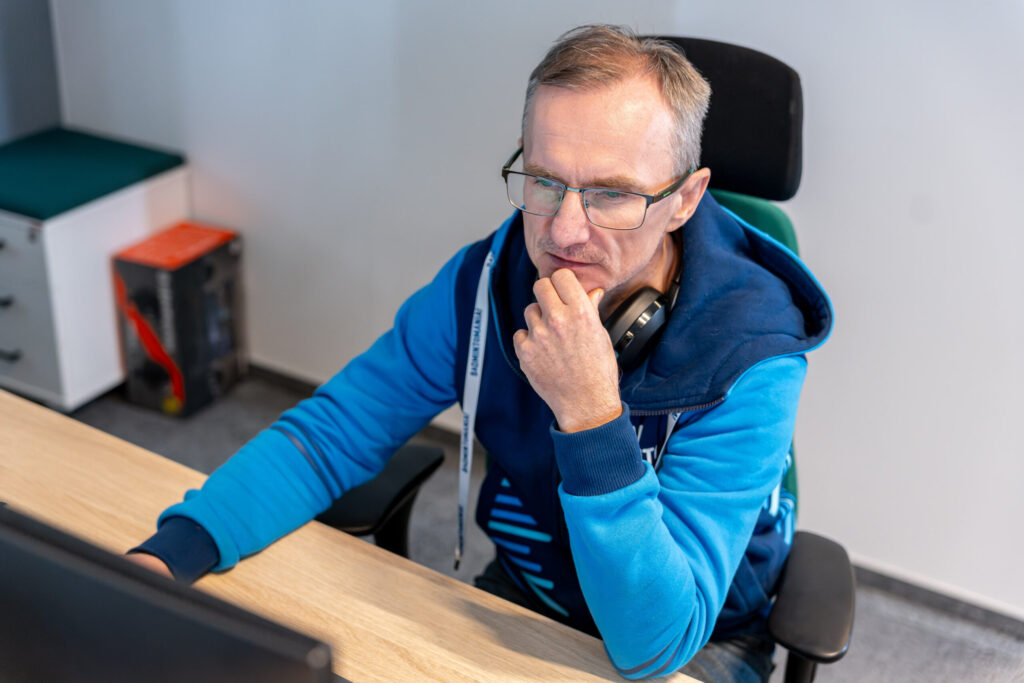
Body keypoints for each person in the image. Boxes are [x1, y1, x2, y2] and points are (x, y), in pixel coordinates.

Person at [128, 24, 832, 681]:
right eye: (546, 180)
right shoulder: (486, 280)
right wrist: (176, 551)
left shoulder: (754, 350)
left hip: (695, 640)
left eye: (612, 194)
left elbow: (654, 642)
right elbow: (332, 433)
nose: (564, 230)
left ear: (684, 201)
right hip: (530, 589)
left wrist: (590, 415)